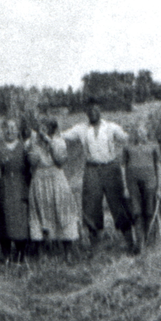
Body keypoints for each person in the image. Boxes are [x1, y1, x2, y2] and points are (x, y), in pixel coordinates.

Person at [60, 99, 132, 252]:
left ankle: (130, 243)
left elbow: (126, 138)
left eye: (95, 109)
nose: (92, 112)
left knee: (119, 203)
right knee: (91, 205)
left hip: (111, 168)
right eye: (89, 110)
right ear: (86, 112)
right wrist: (46, 135)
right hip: (92, 169)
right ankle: (95, 248)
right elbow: (62, 136)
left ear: (100, 110)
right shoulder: (81, 129)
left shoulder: (111, 127)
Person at [27, 118, 80, 261]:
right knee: (40, 214)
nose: (42, 131)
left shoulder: (59, 141)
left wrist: (50, 142)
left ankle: (67, 252)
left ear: (52, 129)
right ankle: (42, 252)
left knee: (63, 212)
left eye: (45, 128)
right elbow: (32, 162)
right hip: (39, 179)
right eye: (40, 128)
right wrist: (36, 144)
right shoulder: (33, 142)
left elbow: (60, 161)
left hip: (57, 179)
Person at [0, 118, 32, 261]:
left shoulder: (24, 147)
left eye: (13, 128)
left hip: (20, 186)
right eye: (7, 128)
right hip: (4, 186)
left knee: (20, 220)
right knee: (3, 219)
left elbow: (30, 167)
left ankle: (21, 255)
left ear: (18, 130)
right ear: (2, 130)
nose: (10, 131)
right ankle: (6, 255)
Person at [123, 124, 161, 253]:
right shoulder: (128, 147)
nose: (140, 134)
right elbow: (123, 166)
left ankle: (150, 240)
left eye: (142, 131)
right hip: (132, 184)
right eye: (137, 132)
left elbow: (158, 166)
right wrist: (125, 187)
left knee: (150, 211)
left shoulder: (153, 146)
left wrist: (159, 187)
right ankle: (140, 243)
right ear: (135, 134)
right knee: (136, 212)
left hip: (150, 182)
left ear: (147, 133)